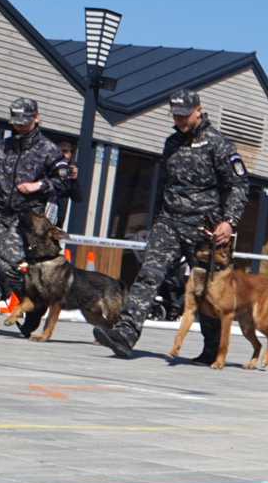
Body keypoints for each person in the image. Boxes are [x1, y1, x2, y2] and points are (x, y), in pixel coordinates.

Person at [95, 89, 249, 361]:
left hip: (205, 228)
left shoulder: (219, 144)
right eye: (175, 115)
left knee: (207, 290)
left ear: (198, 110)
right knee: (148, 274)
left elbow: (238, 184)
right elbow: (166, 183)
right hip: (169, 222)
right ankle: (125, 334)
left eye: (184, 115)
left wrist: (229, 221)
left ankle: (213, 349)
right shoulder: (171, 144)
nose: (179, 120)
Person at [0, 98, 74, 337]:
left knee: (10, 266)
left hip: (26, 219)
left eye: (25, 122)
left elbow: (64, 181)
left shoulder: (48, 150)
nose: (19, 126)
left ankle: (33, 304)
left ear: (36, 118)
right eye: (16, 122)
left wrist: (38, 185)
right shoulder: (3, 146)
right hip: (0, 211)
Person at [43, 139, 79, 227]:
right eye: (60, 152)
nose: (63, 155)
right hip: (44, 207)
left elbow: (77, 198)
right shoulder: (46, 166)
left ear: (70, 154)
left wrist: (74, 179)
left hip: (58, 214)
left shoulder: (70, 171)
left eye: (66, 152)